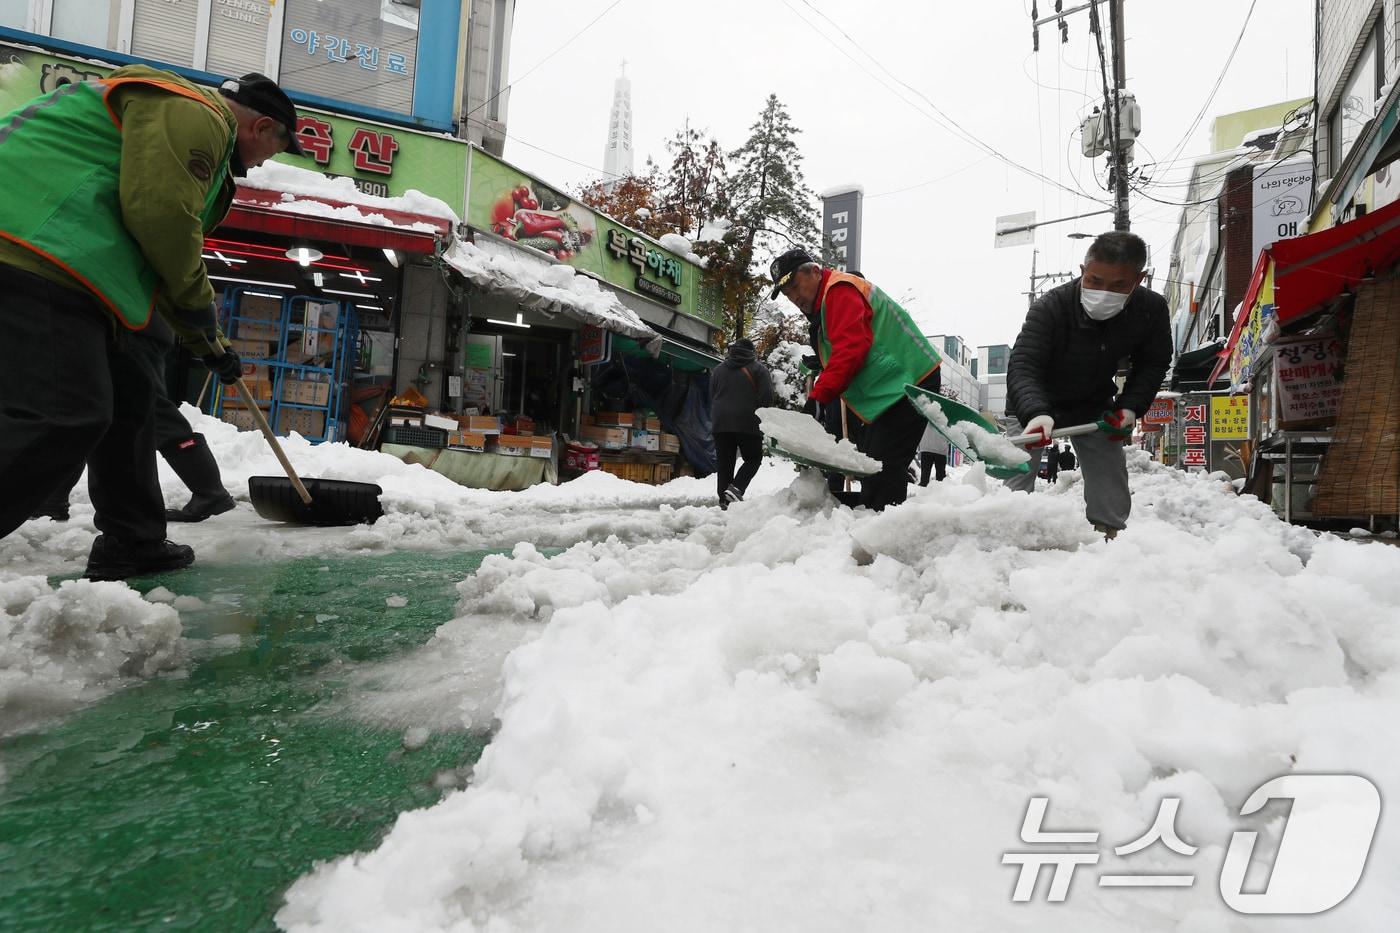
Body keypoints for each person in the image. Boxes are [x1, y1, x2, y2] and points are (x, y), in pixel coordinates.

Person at [0, 67, 304, 578]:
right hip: (34, 245)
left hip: (87, 266)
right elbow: (161, 219)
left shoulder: (181, 124)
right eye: (276, 149)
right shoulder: (197, 113)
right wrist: (202, 322)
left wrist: (207, 342)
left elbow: (152, 259)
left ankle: (133, 539)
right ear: (262, 128)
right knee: (65, 412)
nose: (265, 162)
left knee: (133, 395)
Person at [1004, 231, 1172, 538]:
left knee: (1109, 477)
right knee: (1014, 475)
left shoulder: (1150, 310)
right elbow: (1024, 364)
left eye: (1118, 285)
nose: (1103, 291)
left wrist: (1130, 408)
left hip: (1091, 403)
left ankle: (1107, 535)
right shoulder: (1052, 306)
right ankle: (1007, 537)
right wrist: (1035, 413)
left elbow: (1153, 363)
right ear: (1083, 271)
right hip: (1033, 402)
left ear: (1139, 279)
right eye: (1094, 281)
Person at [770, 249, 943, 512]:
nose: (794, 297)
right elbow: (847, 344)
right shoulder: (826, 305)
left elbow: (851, 349)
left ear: (815, 272)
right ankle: (875, 519)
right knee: (872, 466)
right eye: (788, 294)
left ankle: (884, 533)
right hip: (890, 390)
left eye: (795, 286)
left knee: (884, 467)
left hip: (910, 381)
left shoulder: (839, 289)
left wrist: (819, 397)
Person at [709, 337, 774, 508]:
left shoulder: (718, 370)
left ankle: (724, 500)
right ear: (752, 352)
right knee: (753, 458)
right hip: (748, 422)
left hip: (720, 423)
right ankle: (736, 488)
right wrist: (763, 419)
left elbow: (712, 395)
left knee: (725, 463)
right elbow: (766, 398)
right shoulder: (759, 370)